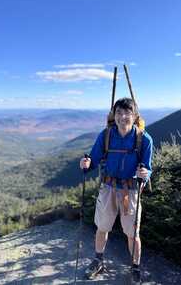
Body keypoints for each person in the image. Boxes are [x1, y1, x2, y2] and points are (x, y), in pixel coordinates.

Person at [80, 97, 153, 281]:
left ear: (134, 115)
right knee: (102, 227)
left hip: (130, 191)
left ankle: (135, 267)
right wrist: (86, 164)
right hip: (109, 188)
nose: (122, 117)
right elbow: (93, 160)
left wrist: (145, 174)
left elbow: (147, 169)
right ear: (114, 115)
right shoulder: (106, 135)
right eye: (119, 112)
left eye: (127, 113)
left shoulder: (144, 140)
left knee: (132, 233)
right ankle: (98, 261)